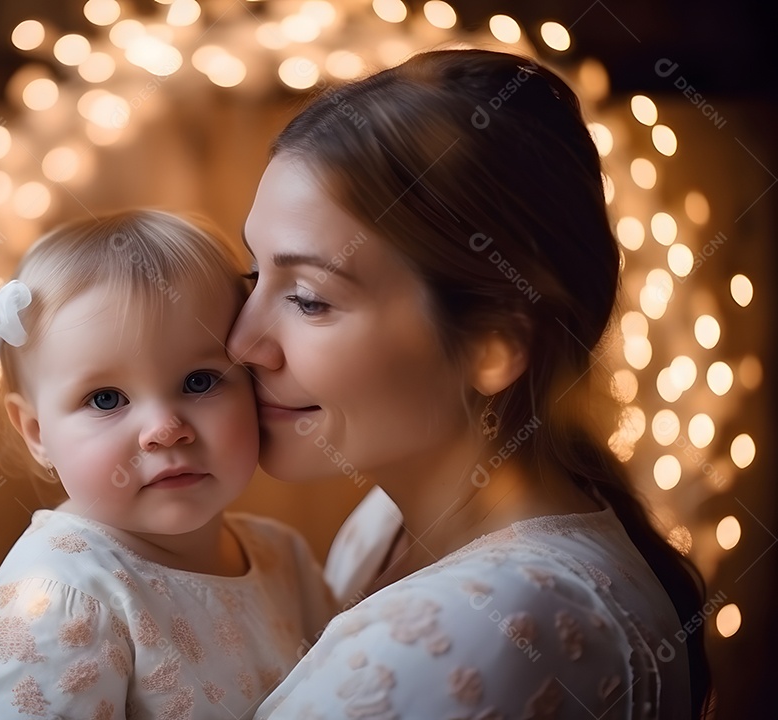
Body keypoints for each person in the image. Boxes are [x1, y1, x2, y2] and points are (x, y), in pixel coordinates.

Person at [226, 49, 710, 719]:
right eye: (254, 275)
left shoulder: (474, 631)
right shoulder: (384, 526)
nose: (240, 342)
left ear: (493, 345)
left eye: (309, 299)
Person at [0, 210, 336, 720]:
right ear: (36, 433)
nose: (165, 429)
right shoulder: (59, 605)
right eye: (105, 399)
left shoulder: (284, 560)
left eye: (199, 382)